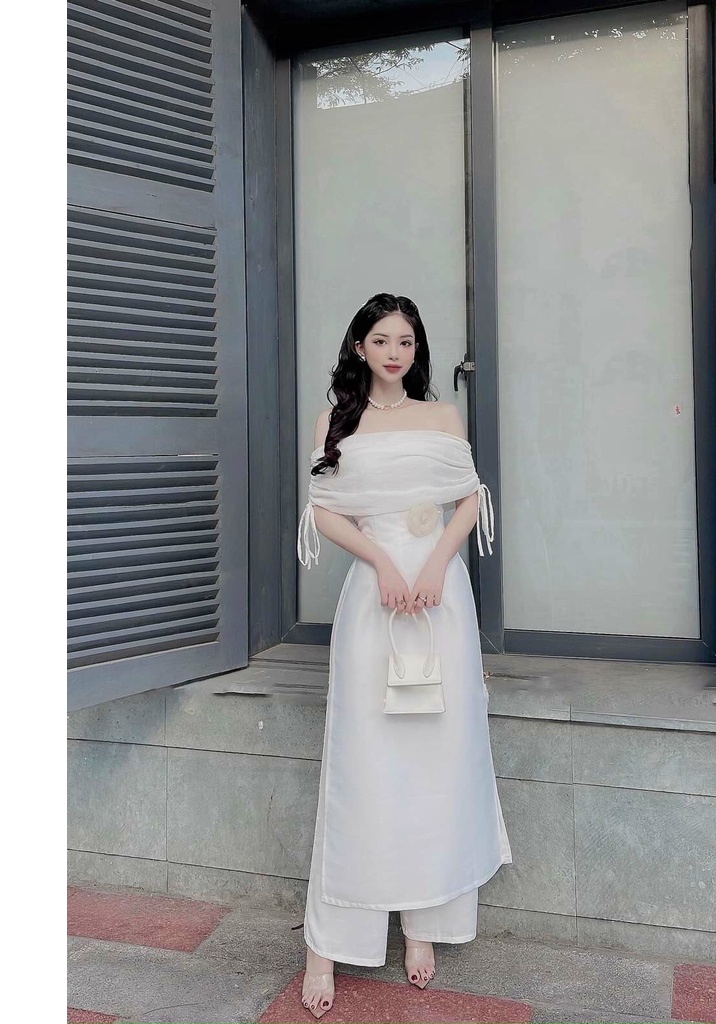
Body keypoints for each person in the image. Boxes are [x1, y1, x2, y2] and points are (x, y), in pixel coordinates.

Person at [295, 293, 512, 1018]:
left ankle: (425, 923)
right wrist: (384, 564)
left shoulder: (442, 416)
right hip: (375, 598)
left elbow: (469, 501)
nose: (395, 352)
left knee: (437, 759)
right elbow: (325, 512)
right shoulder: (337, 420)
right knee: (361, 761)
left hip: (441, 597)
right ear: (359, 346)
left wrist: (436, 566)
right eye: (382, 340)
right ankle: (326, 942)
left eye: (407, 341)